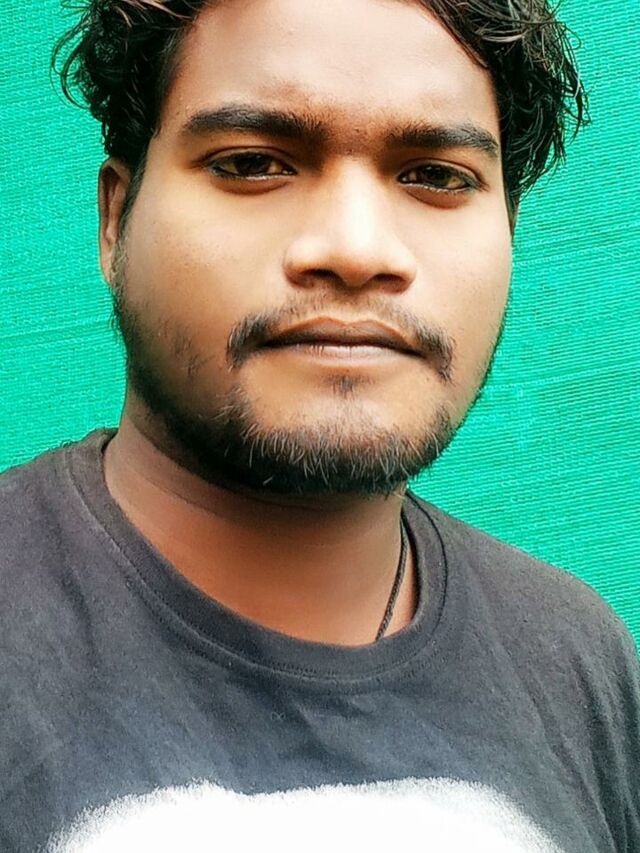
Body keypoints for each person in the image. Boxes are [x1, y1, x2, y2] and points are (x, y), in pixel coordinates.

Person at [1, 0, 638, 849]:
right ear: (116, 220)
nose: (356, 249)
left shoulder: (579, 658)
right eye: (253, 162)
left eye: (437, 175)